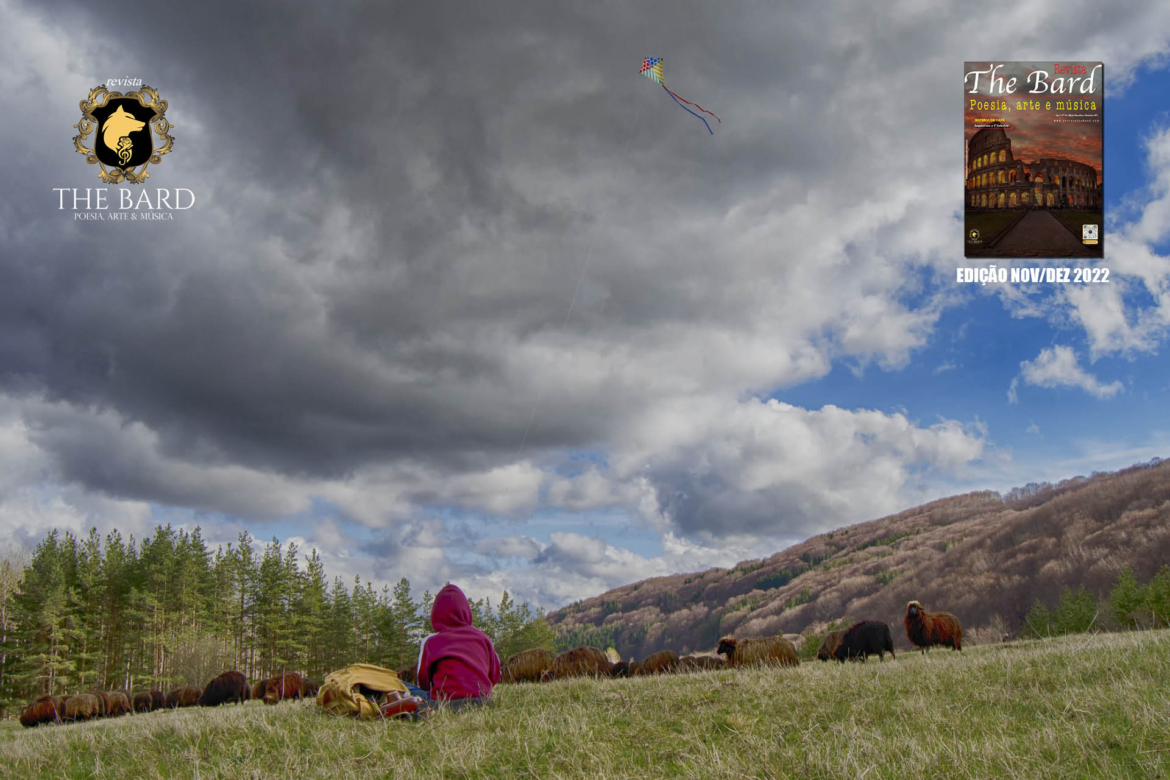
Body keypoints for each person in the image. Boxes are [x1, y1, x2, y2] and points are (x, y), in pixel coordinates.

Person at [401, 583, 501, 717]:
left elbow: (424, 683)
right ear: (466, 611)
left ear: (436, 615)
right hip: (483, 702)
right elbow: (494, 676)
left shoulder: (432, 642)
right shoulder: (483, 638)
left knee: (402, 686)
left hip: (443, 704)